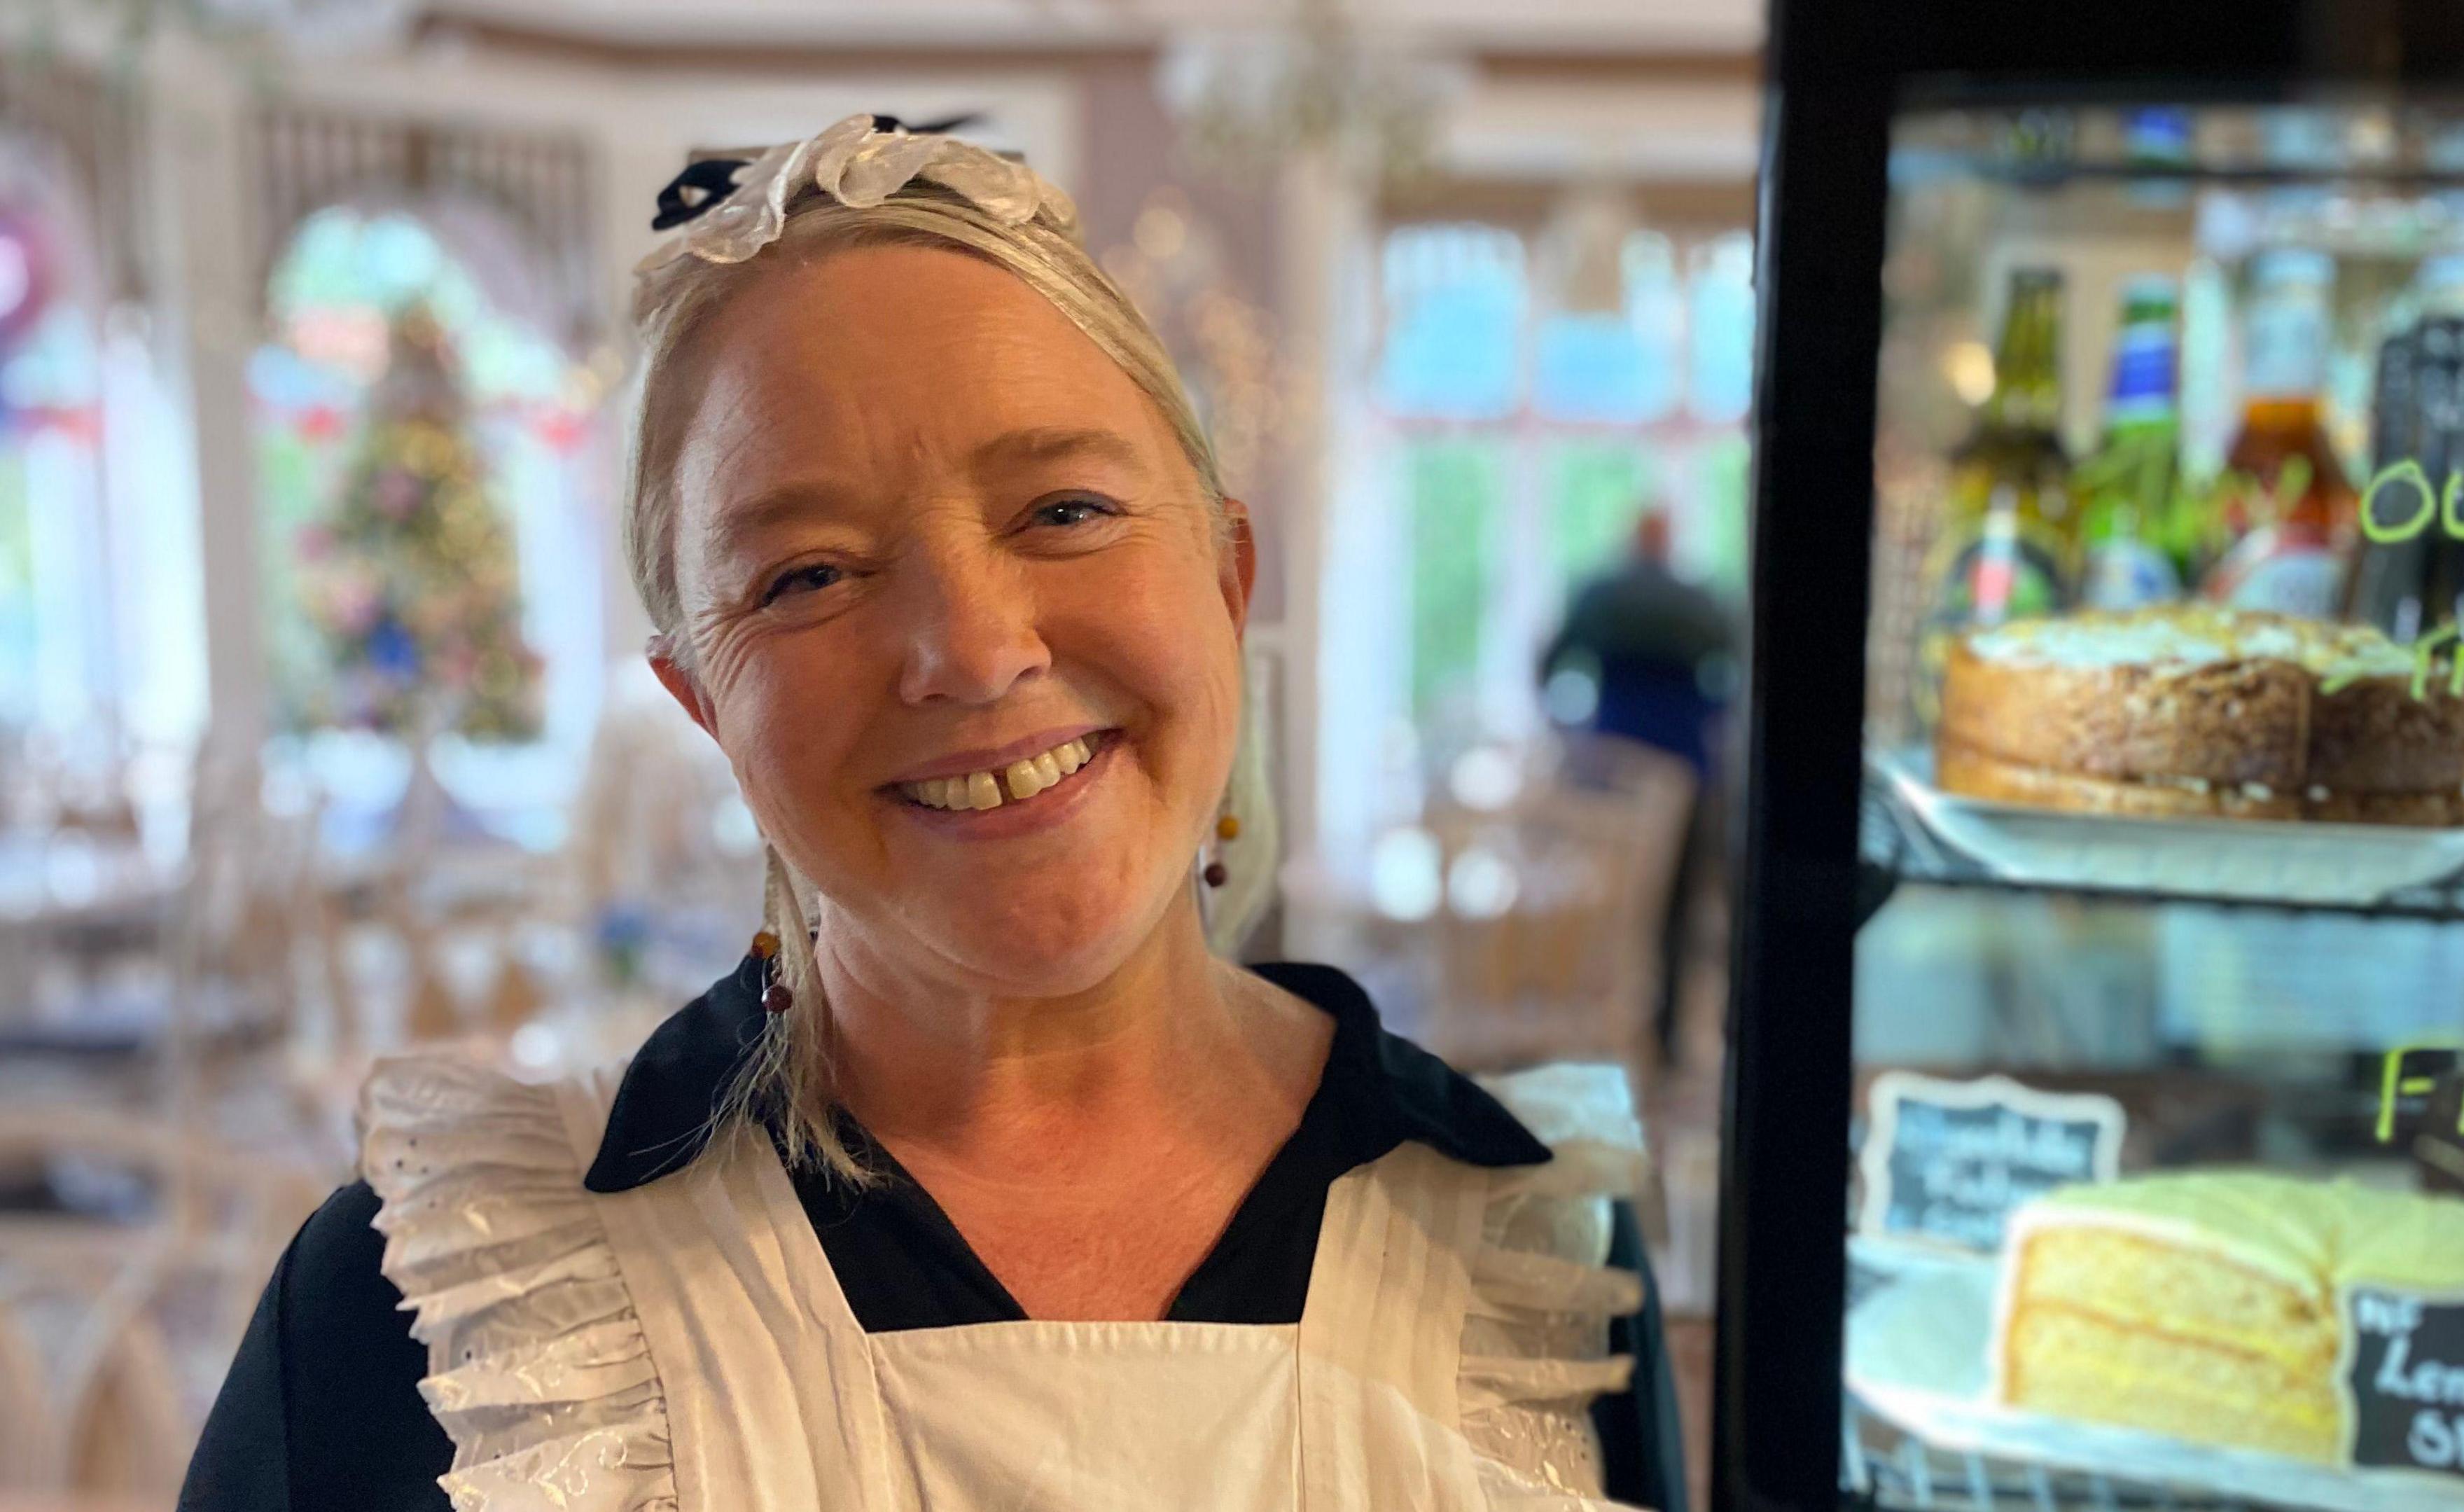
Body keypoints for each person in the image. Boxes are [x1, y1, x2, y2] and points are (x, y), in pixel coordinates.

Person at [179, 113, 1684, 1511]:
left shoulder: (1533, 1259)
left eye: (1066, 510)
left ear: (1229, 583)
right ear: (706, 702)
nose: (973, 649)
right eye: (808, 574)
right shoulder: (432, 1310)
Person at [1538, 506, 1741, 1063]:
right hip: (1685, 769)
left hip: (1609, 769)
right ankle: (1664, 1035)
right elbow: (1737, 676)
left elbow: (1548, 663)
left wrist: (1561, 729)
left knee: (1592, 897)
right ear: (1666, 541)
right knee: (1671, 908)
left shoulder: (1601, 594)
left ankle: (1581, 1021)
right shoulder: (1700, 601)